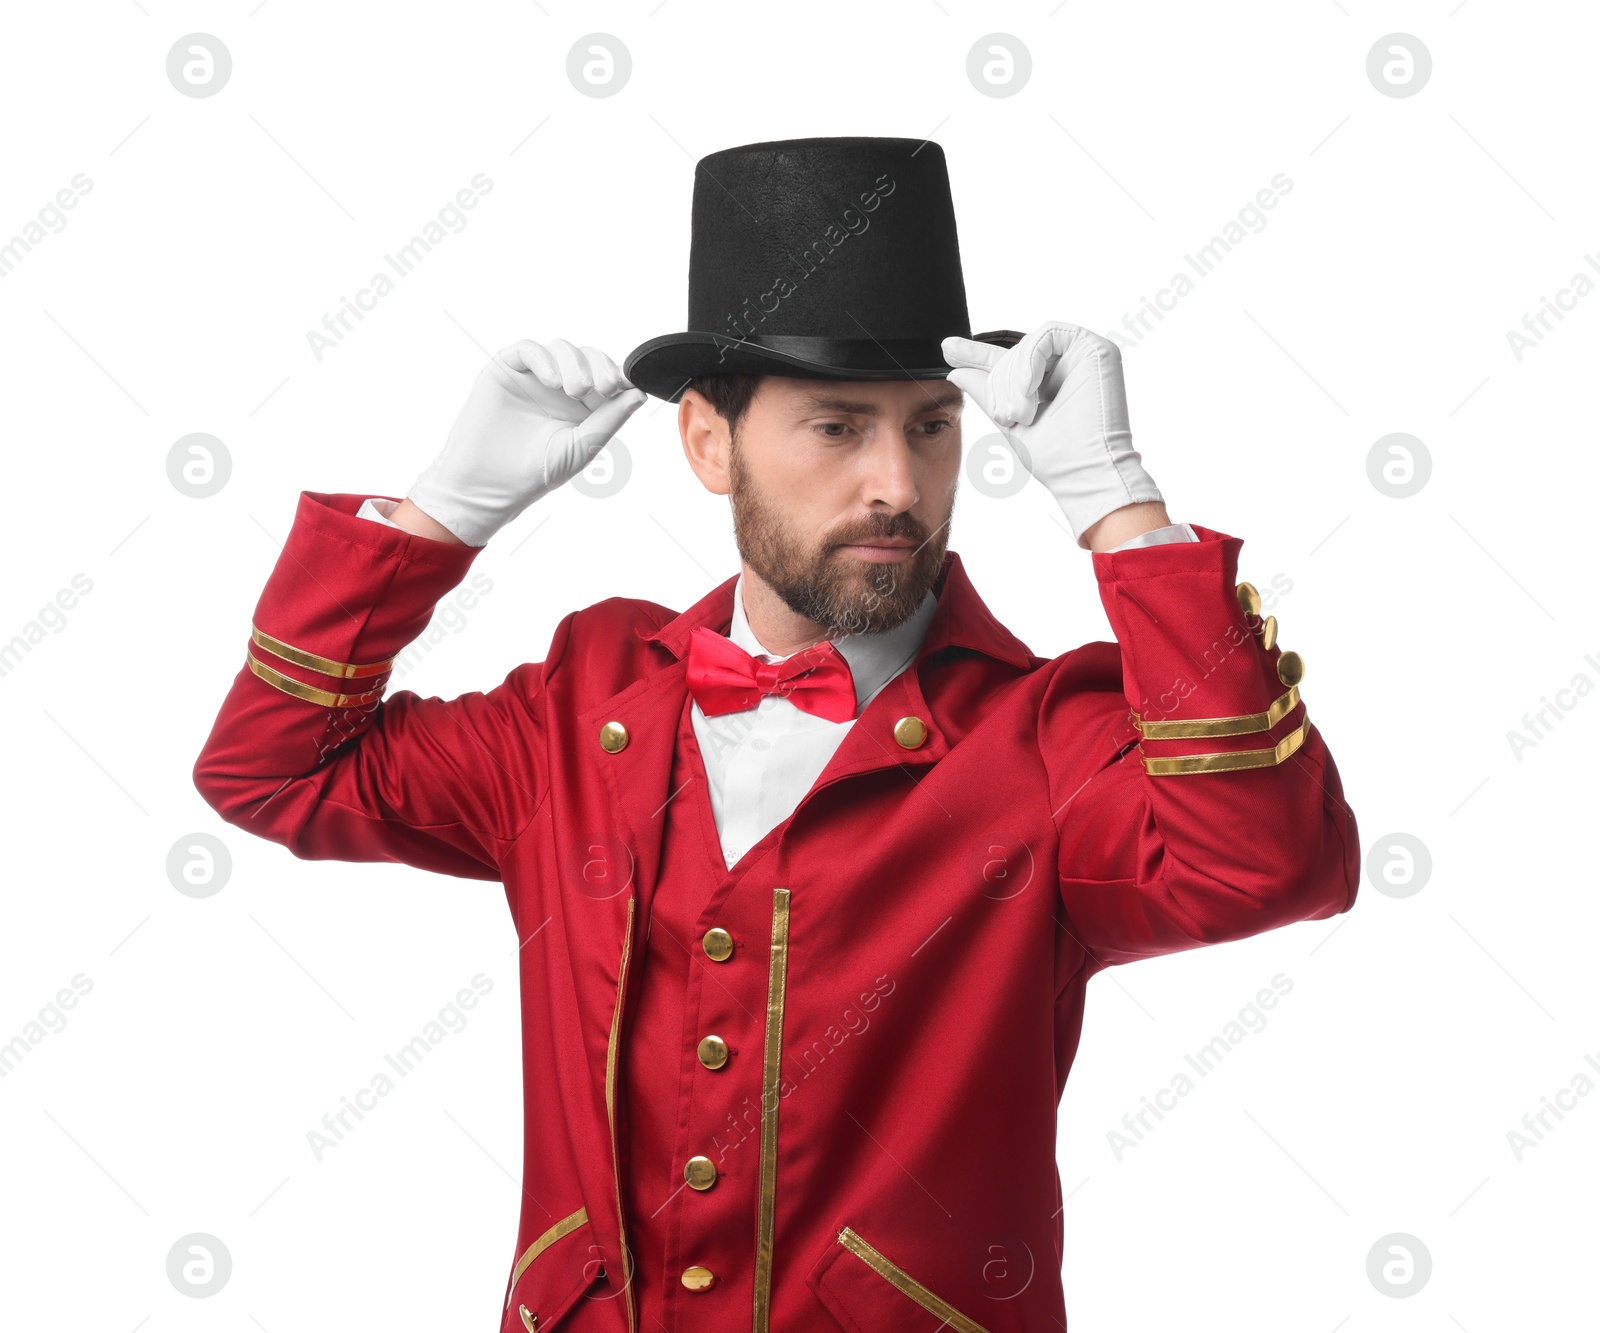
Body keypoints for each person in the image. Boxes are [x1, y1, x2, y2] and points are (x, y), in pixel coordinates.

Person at [193, 137, 1358, 1333]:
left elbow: (1268, 869)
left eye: (932, 427)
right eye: (838, 427)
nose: (898, 484)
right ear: (709, 442)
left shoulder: (1045, 737)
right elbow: (271, 767)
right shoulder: (581, 704)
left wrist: (1122, 512)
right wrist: (436, 514)